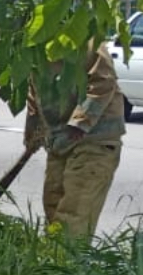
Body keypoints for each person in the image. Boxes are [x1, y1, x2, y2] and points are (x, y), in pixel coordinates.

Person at [23, 45, 126, 240]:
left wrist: (80, 122)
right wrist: (33, 130)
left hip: (94, 141)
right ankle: (53, 263)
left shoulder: (85, 39)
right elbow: (34, 90)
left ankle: (64, 265)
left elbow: (103, 81)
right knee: (53, 207)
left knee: (74, 216)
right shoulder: (34, 45)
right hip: (59, 141)